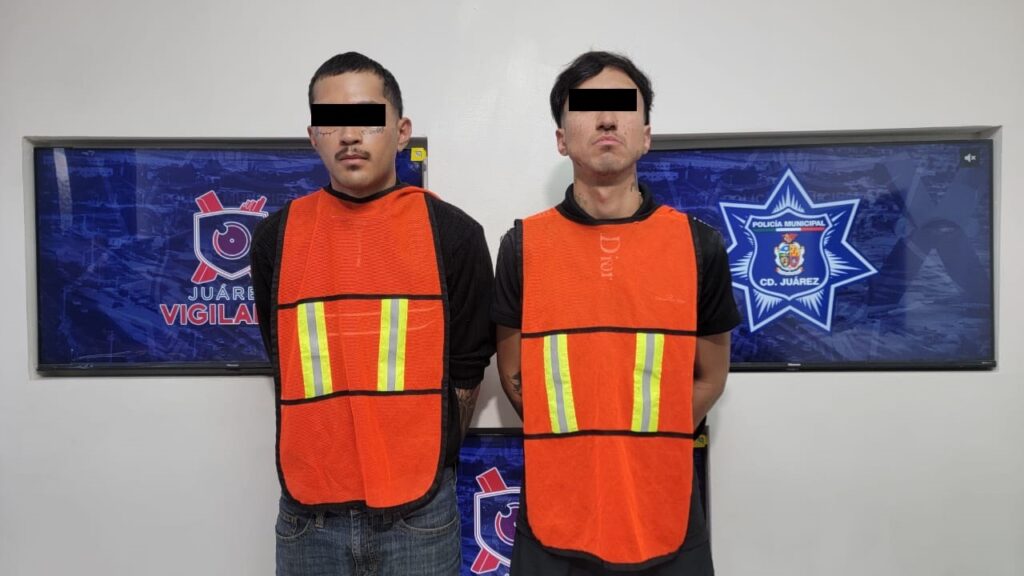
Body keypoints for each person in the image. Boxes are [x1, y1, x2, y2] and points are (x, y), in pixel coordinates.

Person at [492, 51, 740, 575]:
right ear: (561, 139)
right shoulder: (522, 246)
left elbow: (711, 377)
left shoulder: (698, 246)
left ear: (645, 135)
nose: (606, 119)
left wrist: (646, 443)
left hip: (664, 511)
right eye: (587, 108)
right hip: (555, 516)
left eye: (623, 107)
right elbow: (516, 376)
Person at [251, 52, 494, 576]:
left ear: (402, 132)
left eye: (366, 118)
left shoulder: (454, 235)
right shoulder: (275, 238)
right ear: (313, 136)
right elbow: (284, 359)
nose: (349, 135)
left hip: (418, 514)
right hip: (308, 517)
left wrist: (426, 463)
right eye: (331, 122)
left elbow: (466, 369)